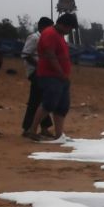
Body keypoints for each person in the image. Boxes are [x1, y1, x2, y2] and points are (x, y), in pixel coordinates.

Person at [27, 12, 77, 141]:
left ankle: (59, 134)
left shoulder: (59, 35)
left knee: (62, 106)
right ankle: (32, 130)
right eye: (69, 28)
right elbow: (51, 56)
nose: (69, 31)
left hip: (61, 77)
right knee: (49, 103)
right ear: (62, 24)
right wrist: (60, 73)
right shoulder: (50, 34)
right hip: (50, 75)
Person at [20, 16, 54, 137]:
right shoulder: (34, 38)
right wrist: (39, 65)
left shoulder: (45, 39)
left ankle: (43, 127)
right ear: (41, 27)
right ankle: (27, 128)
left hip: (43, 72)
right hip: (35, 72)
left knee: (41, 100)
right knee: (35, 100)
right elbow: (26, 54)